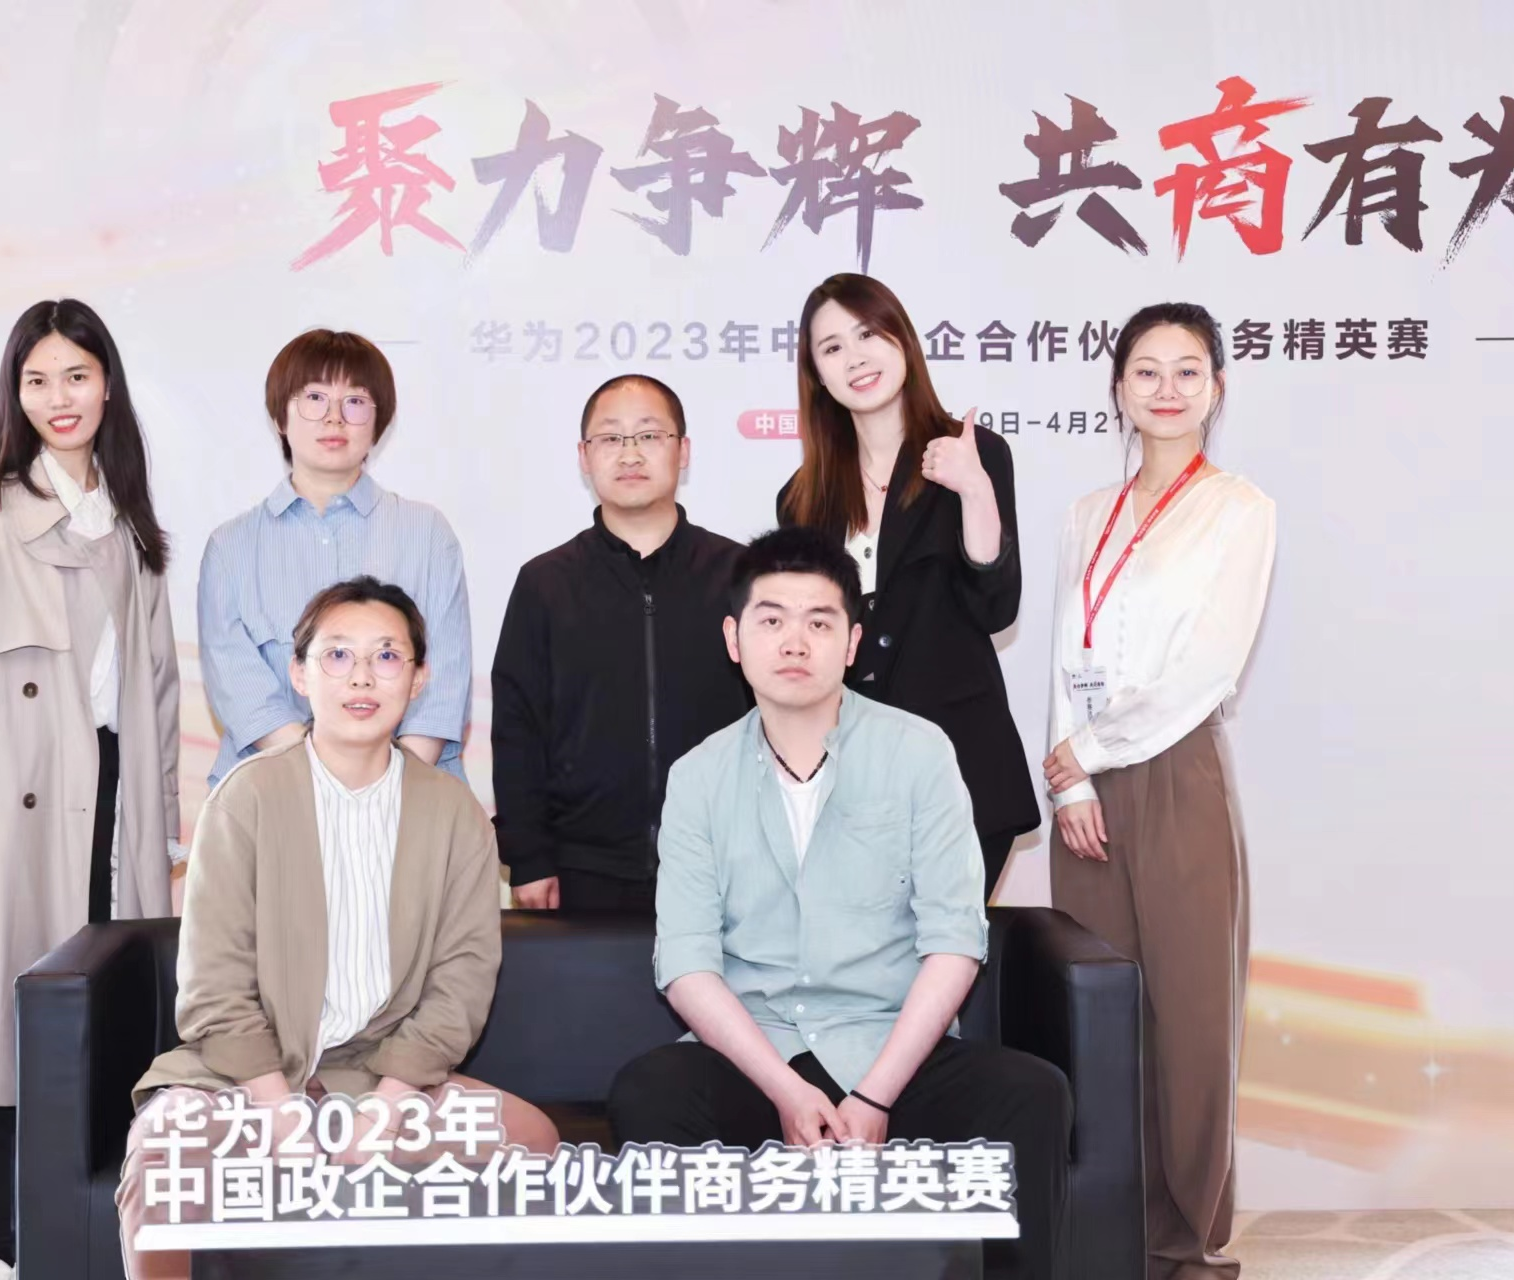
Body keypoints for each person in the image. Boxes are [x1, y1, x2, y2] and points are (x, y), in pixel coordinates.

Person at [608, 527, 1070, 1280]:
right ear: (734, 639)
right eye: (771, 619)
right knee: (650, 1093)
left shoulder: (918, 751)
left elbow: (955, 942)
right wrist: (788, 1091)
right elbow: (687, 966)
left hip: (889, 1047)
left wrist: (875, 1095)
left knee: (1031, 1096)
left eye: (819, 622)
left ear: (852, 643)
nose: (795, 641)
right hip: (761, 1055)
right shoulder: (699, 776)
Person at [116, 576, 559, 1280]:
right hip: (242, 1079)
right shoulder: (245, 799)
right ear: (300, 674)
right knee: (166, 1147)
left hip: (381, 1076)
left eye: (387, 656)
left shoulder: (455, 816)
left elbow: (462, 985)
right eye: (337, 655)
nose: (361, 677)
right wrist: (279, 1110)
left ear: (419, 678)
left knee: (531, 1141)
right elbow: (213, 988)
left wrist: (387, 1109)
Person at [0, 299, 182, 1278]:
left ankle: (80, 1233)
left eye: (77, 376)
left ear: (108, 386)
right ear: (15, 393)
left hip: (108, 794)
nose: (60, 398)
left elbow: (158, 686)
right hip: (5, 793)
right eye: (38, 379)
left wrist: (164, 819)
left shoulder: (129, 519)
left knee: (97, 1011)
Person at [1043, 302, 1275, 1280]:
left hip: (1176, 769)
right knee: (1105, 1011)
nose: (1167, 388)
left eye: (1188, 370)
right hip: (1086, 791)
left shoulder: (1239, 507)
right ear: (1118, 389)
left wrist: (1092, 745)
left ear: (1217, 389)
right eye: (1147, 370)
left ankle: (1186, 1237)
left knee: (1191, 1012)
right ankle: (1113, 1229)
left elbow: (1209, 666)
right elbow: (1065, 652)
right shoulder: (1087, 512)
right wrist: (1069, 781)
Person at [776, 273, 1038, 897]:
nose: (855, 357)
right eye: (832, 347)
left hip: (961, 766)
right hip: (850, 779)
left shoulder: (973, 454)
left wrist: (973, 489)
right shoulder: (802, 498)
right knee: (865, 952)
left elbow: (996, 608)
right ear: (817, 375)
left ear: (903, 341)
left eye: (868, 334)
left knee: (946, 947)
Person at [491, 374, 750, 913]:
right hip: (582, 869)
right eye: (611, 438)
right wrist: (529, 856)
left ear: (683, 451)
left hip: (726, 863)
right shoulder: (545, 583)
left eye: (650, 435)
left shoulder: (740, 575)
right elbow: (518, 727)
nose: (630, 453)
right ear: (584, 457)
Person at [198, 329, 471, 787]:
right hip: (275, 791)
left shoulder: (428, 535)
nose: (334, 418)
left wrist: (385, 792)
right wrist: (327, 789)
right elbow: (242, 694)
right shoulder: (231, 547)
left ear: (378, 421)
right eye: (314, 398)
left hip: (411, 792)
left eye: (355, 402)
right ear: (280, 416)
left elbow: (441, 686)